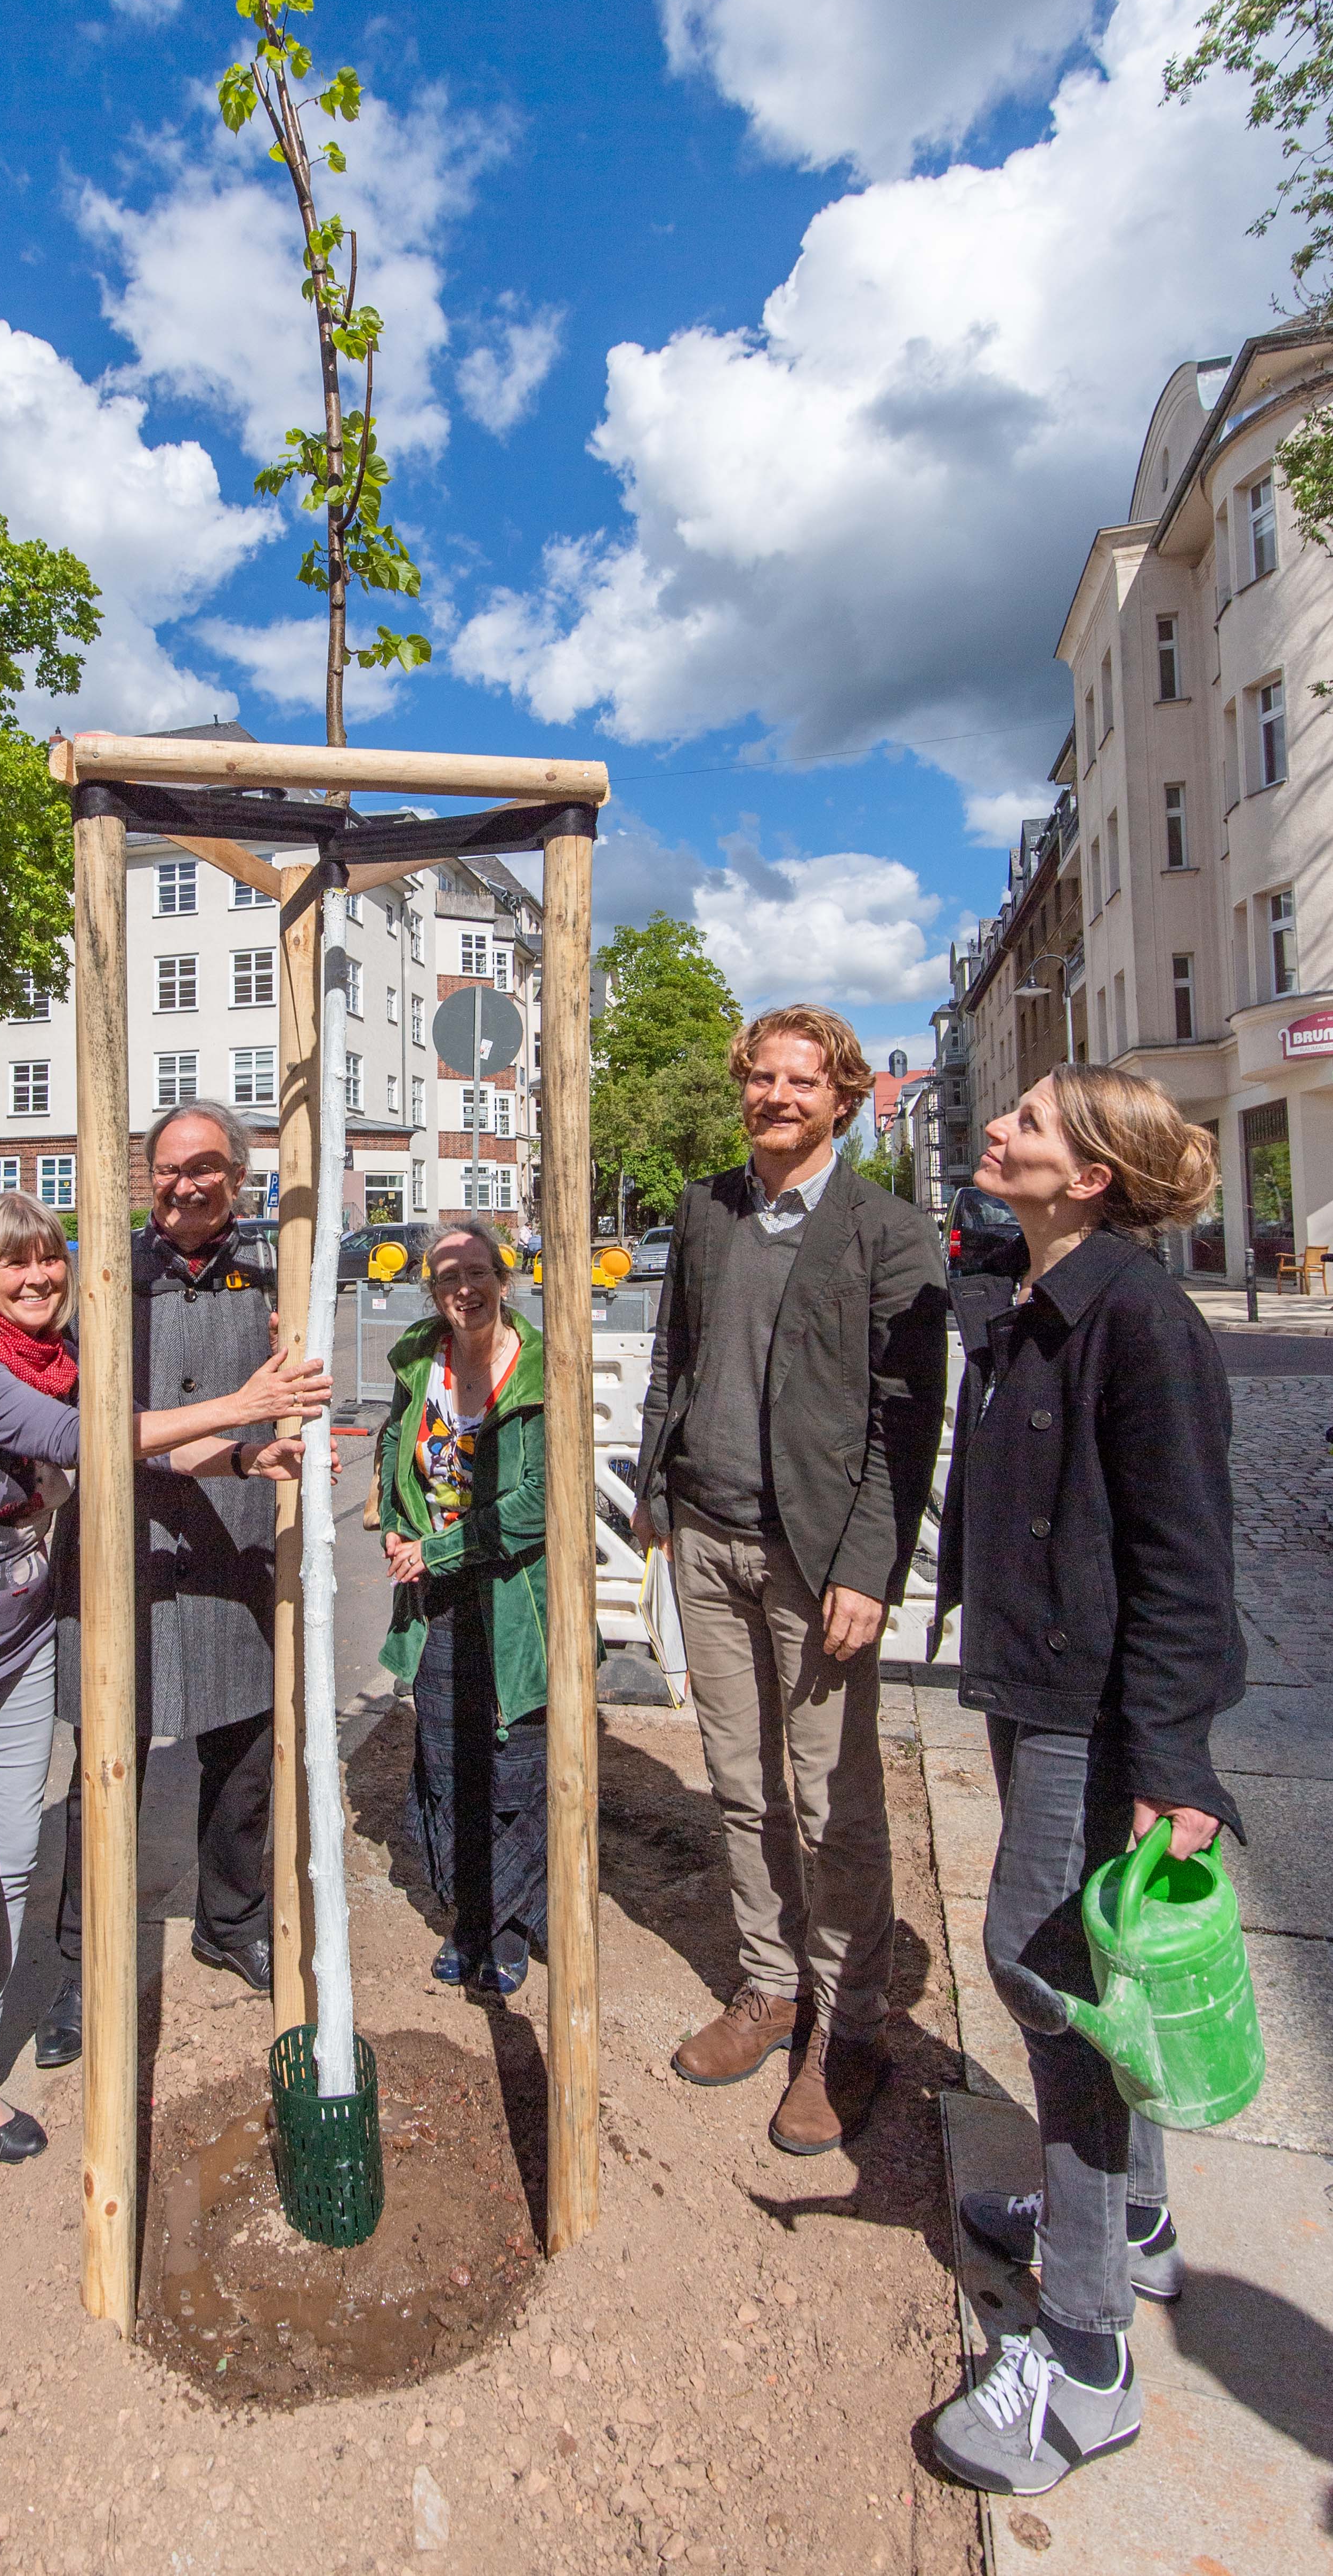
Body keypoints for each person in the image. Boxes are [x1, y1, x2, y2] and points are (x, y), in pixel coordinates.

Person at [0, 1189, 325, 2232]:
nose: (39, 1282)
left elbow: (137, 1451)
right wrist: (241, 1402)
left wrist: (249, 1454)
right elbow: (85, 1439)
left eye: (50, 1265)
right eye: (16, 1268)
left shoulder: (62, 1357)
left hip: (24, 1644)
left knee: (11, 1873)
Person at [927, 1065, 1241, 2499]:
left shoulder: (1142, 1319)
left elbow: (1186, 1556)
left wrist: (1172, 1761)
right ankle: (1133, 2221)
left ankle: (1089, 2351)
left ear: (1091, 1174)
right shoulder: (1031, 1286)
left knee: (1042, 1967)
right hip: (1029, 1677)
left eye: (1031, 1123)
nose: (1000, 1128)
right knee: (1077, 1967)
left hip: (1095, 1704)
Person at [633, 1004, 948, 2152]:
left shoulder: (886, 1232)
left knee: (832, 1805)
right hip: (706, 1542)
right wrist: (657, 1491)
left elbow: (904, 1422)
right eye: (760, 1078)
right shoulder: (709, 1208)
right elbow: (676, 1352)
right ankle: (770, 1988)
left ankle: (848, 2025)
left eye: (800, 1082)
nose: (774, 1096)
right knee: (737, 1783)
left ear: (845, 1098)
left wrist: (870, 1566)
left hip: (816, 1566)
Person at [38, 1098, 316, 2062]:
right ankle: (84, 1963)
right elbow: (73, 1412)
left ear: (238, 1178)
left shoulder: (281, 1272)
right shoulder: (107, 1276)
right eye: (166, 1168)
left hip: (237, 1538)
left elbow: (311, 1386)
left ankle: (229, 1923)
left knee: (243, 1759)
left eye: (203, 1167)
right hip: (126, 1547)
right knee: (106, 1772)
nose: (183, 1183)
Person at [375, 1220, 549, 1996]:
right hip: (437, 1597)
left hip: (516, 1602)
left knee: (512, 1762)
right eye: (448, 1277)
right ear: (431, 1288)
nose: (464, 1289)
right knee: (446, 1758)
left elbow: (537, 1503)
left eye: (477, 1272)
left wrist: (437, 1549)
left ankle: (510, 1924)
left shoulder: (538, 1368)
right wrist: (392, 1517)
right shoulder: (422, 1360)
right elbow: (392, 1441)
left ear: (503, 1280)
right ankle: (468, 1916)